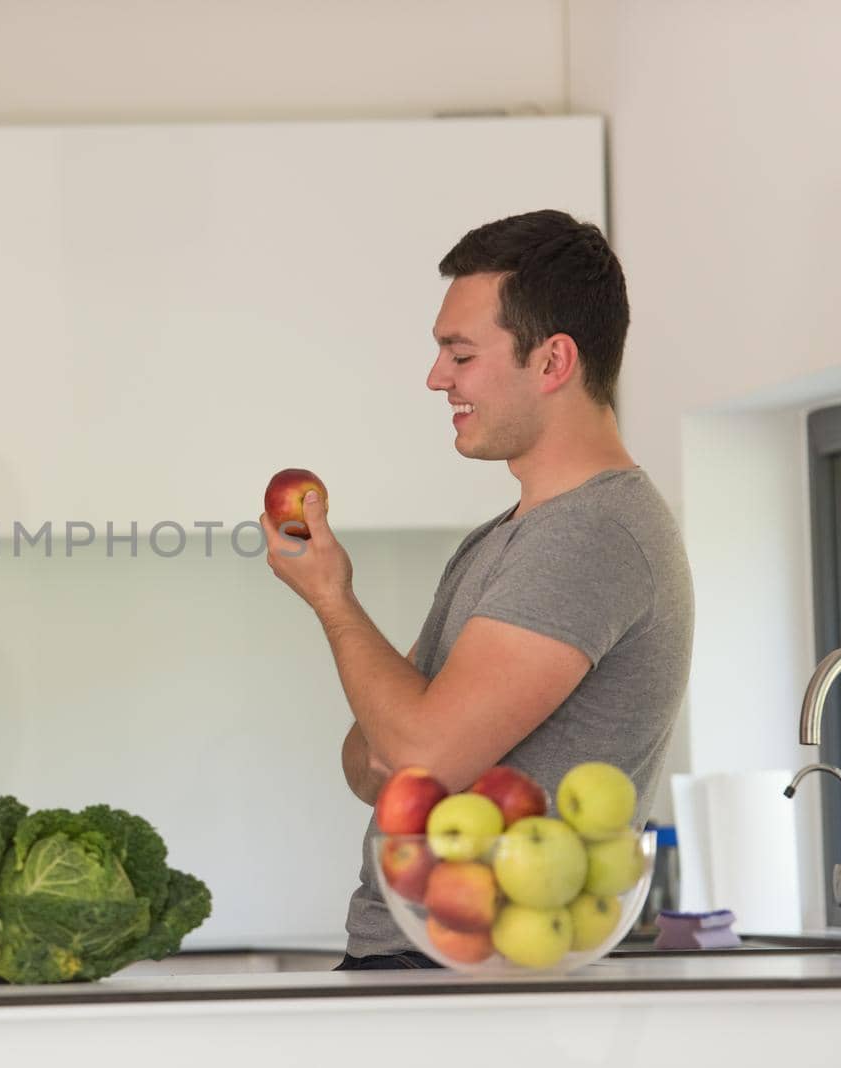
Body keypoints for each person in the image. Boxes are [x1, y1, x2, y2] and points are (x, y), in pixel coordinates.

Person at [262, 210, 694, 970]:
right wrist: (408, 739)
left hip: (479, 979)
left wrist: (333, 598)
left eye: (459, 354)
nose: (437, 378)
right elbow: (371, 766)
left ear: (553, 361)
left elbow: (417, 756)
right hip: (424, 966)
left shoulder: (593, 536)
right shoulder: (506, 536)